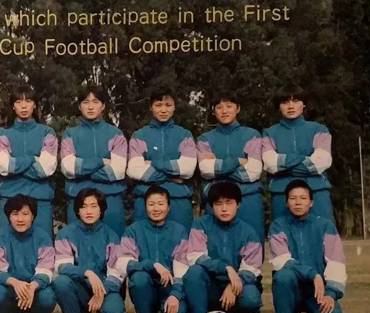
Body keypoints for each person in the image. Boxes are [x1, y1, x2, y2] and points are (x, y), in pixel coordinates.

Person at [108, 185, 191, 313]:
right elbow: (125, 263)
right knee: (139, 277)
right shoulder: (133, 230)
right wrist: (152, 265)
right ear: (145, 207)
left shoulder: (179, 231)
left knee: (179, 312)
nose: (156, 208)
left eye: (160, 204)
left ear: (168, 206)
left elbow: (182, 268)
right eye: (151, 204)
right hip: (144, 286)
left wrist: (175, 294)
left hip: (169, 286)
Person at [269, 179, 345, 313]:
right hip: (292, 288)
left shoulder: (325, 226)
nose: (298, 202)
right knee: (283, 276)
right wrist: (313, 275)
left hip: (316, 292)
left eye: (303, 198)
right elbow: (281, 261)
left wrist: (331, 294)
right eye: (293, 198)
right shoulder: (278, 225)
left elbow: (336, 263)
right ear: (287, 202)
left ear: (311, 203)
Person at [183, 181, 263, 313]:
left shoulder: (249, 232)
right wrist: (226, 268)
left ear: (238, 204)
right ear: (212, 206)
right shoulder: (200, 225)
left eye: (229, 203)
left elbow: (252, 268)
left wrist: (232, 286)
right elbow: (196, 256)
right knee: (194, 273)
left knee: (251, 298)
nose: (224, 208)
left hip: (237, 285)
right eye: (219, 203)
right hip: (210, 285)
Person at [53, 188, 126, 313]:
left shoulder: (111, 235)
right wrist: (87, 273)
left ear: (101, 209)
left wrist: (101, 292)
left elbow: (117, 271)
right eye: (83, 206)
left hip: (104, 288)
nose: (89, 211)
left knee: (115, 311)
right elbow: (62, 266)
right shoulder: (65, 234)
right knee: (61, 281)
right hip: (80, 287)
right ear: (78, 211)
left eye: (94, 206)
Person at [60, 85, 127, 236]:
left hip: (111, 201)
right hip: (78, 201)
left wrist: (82, 170)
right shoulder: (70, 134)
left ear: (103, 105)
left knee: (114, 251)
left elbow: (117, 171)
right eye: (85, 102)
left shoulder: (116, 134)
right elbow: (69, 168)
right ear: (79, 106)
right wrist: (102, 162)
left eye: (95, 102)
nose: (90, 107)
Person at [0, 195, 56, 313]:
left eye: (25, 214)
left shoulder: (42, 237)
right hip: (9, 287)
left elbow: (46, 269)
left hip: (34, 288)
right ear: (8, 216)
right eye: (15, 214)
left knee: (48, 296)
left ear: (33, 216)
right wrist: (15, 283)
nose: (20, 219)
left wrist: (32, 287)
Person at [261, 86, 334, 222]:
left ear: (303, 104)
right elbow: (271, 164)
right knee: (283, 238)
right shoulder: (269, 133)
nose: (290, 106)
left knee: (323, 237)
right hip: (281, 193)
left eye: (295, 101)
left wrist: (284, 166)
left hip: (317, 191)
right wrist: (305, 159)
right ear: (279, 106)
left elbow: (320, 163)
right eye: (285, 102)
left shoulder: (319, 129)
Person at [127, 89, 197, 229]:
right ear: (151, 107)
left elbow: (188, 170)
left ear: (174, 107)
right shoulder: (139, 136)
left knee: (180, 247)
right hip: (145, 202)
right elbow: (134, 170)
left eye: (168, 105)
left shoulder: (185, 135)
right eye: (158, 105)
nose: (163, 110)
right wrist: (172, 177)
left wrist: (151, 164)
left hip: (178, 202)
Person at [197, 94, 264, 241]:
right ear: (213, 111)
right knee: (215, 249)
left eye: (229, 106)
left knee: (252, 248)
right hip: (215, 201)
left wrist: (218, 169)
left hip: (248, 199)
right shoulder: (205, 139)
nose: (224, 111)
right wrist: (238, 161)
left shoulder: (252, 135)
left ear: (237, 108)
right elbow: (206, 170)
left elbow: (253, 172)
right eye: (219, 107)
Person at [0, 85, 58, 234]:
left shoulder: (47, 133)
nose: (23, 106)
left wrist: (16, 164)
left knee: (42, 250)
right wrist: (33, 159)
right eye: (18, 102)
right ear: (13, 106)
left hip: (40, 201)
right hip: (9, 200)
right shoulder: (1, 133)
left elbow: (45, 169)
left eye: (28, 101)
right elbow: (5, 167)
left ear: (34, 105)